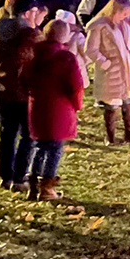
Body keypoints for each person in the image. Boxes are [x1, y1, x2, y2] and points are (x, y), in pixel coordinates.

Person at [23, 19, 85, 200]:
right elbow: (76, 86)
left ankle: (33, 183)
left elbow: (24, 79)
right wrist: (76, 105)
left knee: (39, 146)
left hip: (37, 107)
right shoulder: (65, 58)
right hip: (60, 108)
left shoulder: (33, 55)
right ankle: (47, 187)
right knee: (55, 148)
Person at [0, 0, 43, 192]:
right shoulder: (30, 35)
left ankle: (5, 176)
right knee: (28, 136)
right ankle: (19, 177)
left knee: (7, 134)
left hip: (2, 89)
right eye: (35, 12)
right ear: (28, 13)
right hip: (24, 91)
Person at [84, 0, 130, 145]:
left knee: (128, 101)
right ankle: (110, 137)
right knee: (112, 104)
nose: (125, 17)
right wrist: (105, 63)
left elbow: (129, 44)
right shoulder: (99, 26)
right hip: (111, 71)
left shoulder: (127, 24)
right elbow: (90, 49)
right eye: (123, 13)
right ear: (115, 11)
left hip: (126, 69)